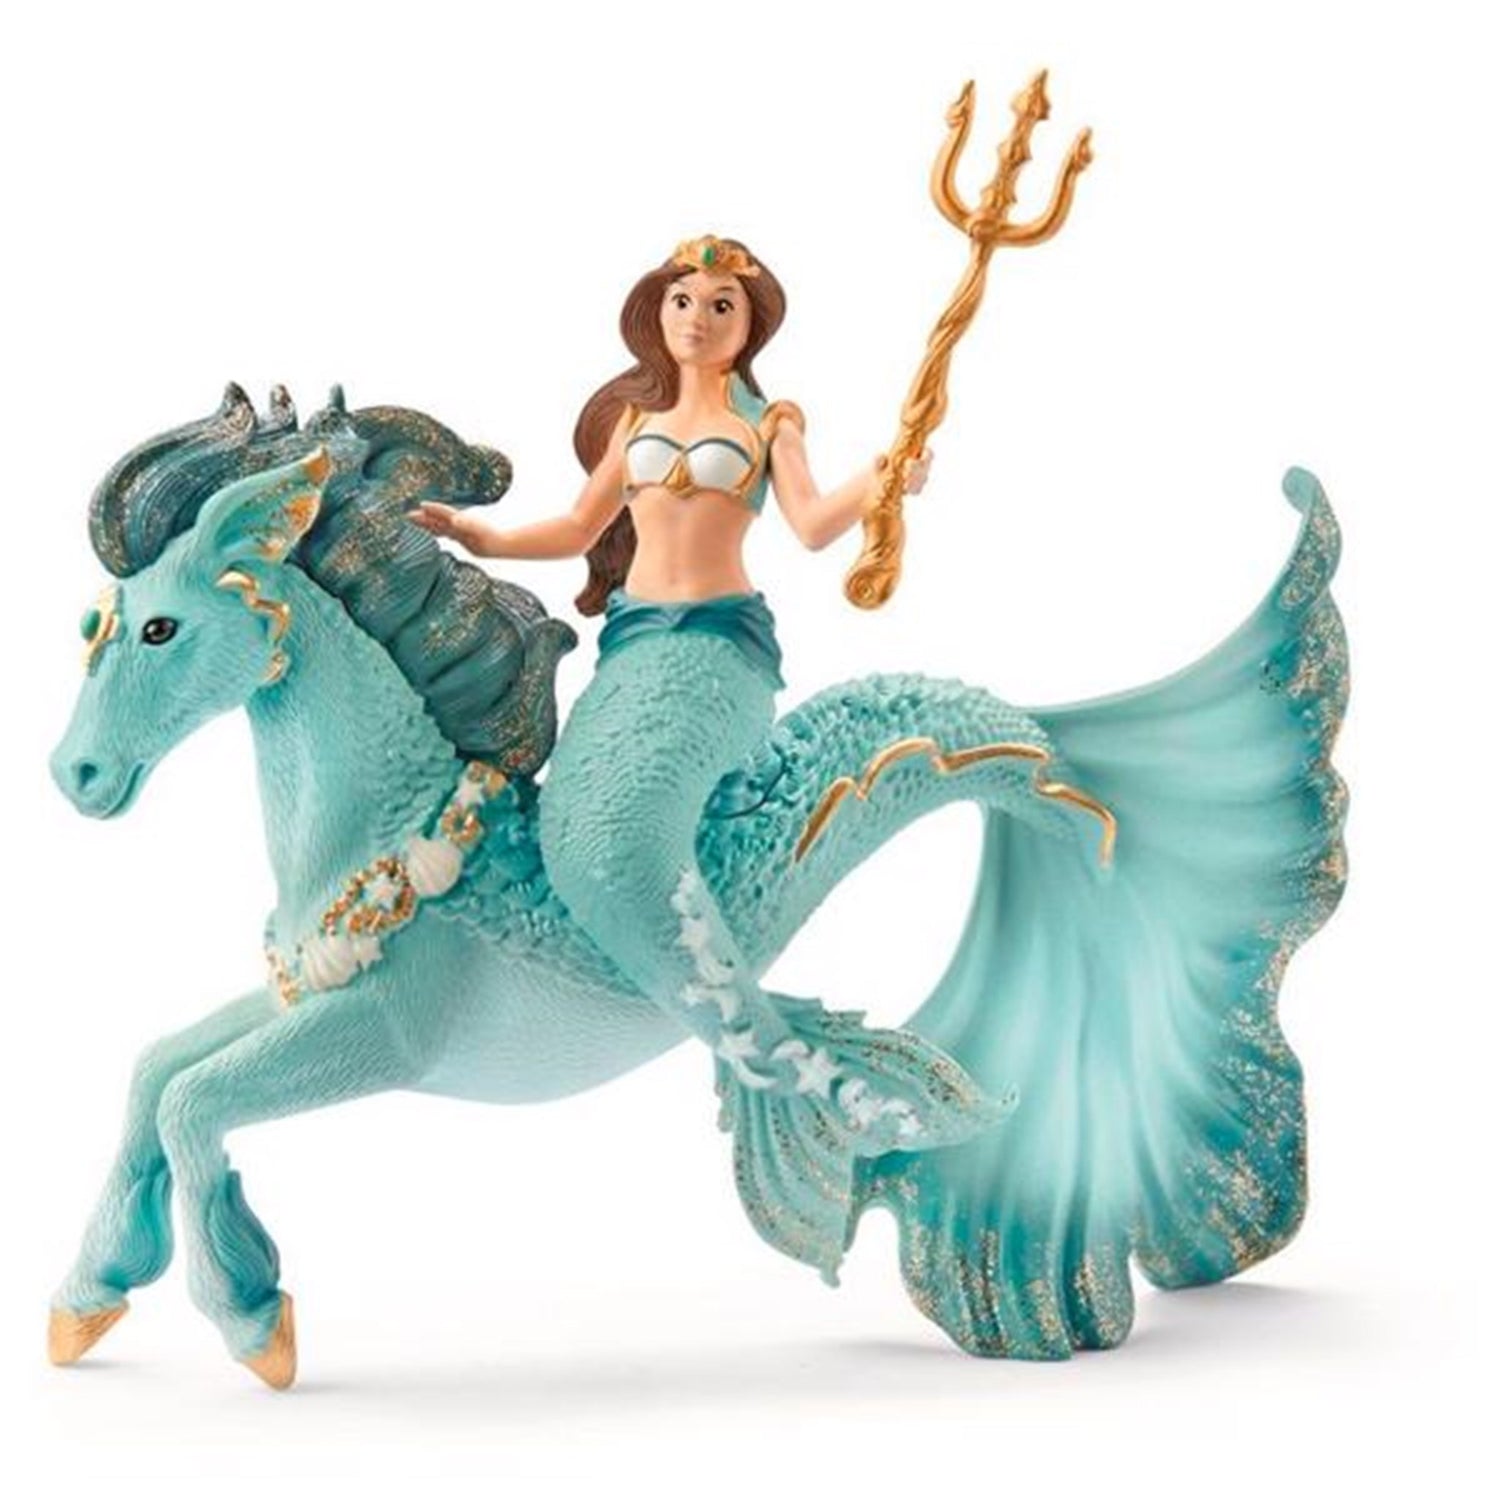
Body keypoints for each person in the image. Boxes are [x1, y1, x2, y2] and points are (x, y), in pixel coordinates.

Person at [411, 235, 997, 1278]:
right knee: (571, 825)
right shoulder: (633, 424)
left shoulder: (770, 423)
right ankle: (694, 1004)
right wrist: (483, 539)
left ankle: (760, 1049)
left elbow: (811, 526)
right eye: (684, 299)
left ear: (748, 324)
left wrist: (885, 479)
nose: (699, 317)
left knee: (623, 836)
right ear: (660, 313)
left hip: (718, 651)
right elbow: (581, 523)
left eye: (722, 304)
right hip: (635, 644)